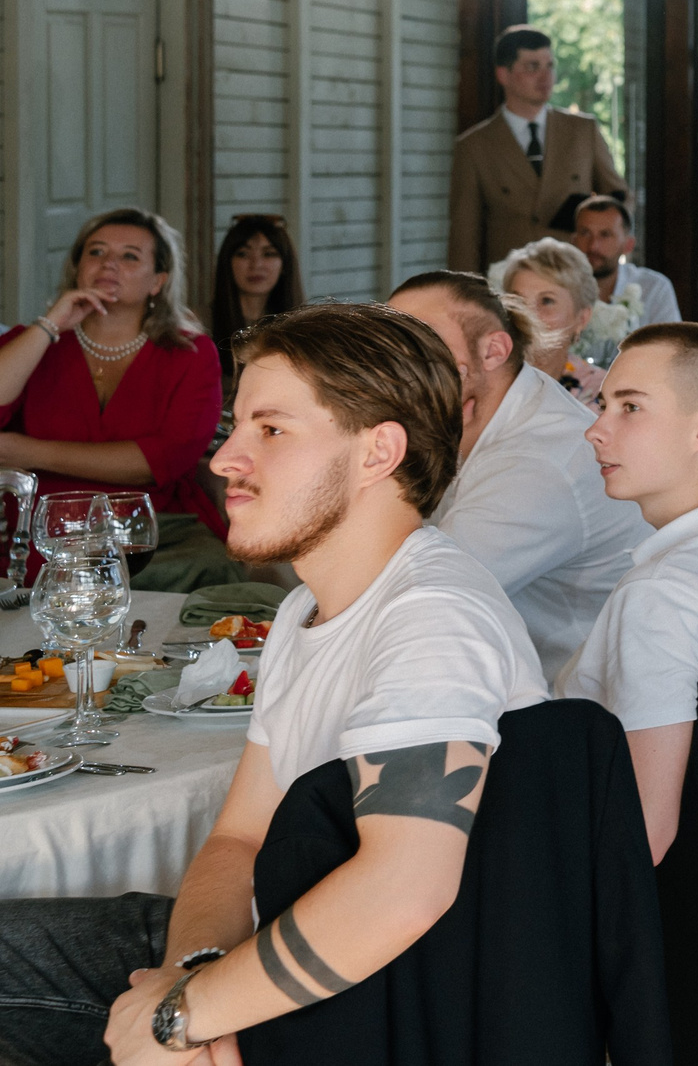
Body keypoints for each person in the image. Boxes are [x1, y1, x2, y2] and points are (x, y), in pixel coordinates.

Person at [0, 303, 546, 1066]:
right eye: (236, 426)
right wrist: (194, 978)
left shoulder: (433, 614)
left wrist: (181, 1018)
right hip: (276, 940)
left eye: (271, 429)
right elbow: (237, 838)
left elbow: (403, 889)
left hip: (379, 996)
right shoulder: (304, 609)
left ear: (378, 452)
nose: (225, 458)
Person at [557, 322, 698, 862]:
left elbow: (643, 833)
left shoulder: (662, 595)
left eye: (630, 407)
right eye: (603, 403)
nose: (595, 429)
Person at [389, 271, 651, 679]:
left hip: (573, 711)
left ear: (493, 350)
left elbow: (417, 597)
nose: (398, 360)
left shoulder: (540, 461)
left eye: (422, 340)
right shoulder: (474, 418)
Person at [0, 208, 230, 591]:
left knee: (214, 571)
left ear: (158, 280)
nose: (109, 263)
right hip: (47, 536)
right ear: (77, 268)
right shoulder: (35, 343)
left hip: (151, 535)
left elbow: (157, 462)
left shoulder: (191, 353)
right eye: (96, 252)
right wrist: (50, 324)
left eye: (129, 256)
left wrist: (24, 452)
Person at [449, 25, 628, 273]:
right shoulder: (475, 146)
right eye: (533, 67)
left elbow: (619, 196)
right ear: (503, 74)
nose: (546, 78)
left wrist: (605, 245)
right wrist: (469, 297)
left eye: (550, 66)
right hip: (510, 283)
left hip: (573, 276)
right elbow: (464, 236)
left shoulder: (582, 130)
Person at [568, 194, 680, 365]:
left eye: (605, 235)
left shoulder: (654, 287)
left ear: (628, 245)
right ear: (574, 241)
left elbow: (671, 354)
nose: (593, 245)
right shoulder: (559, 288)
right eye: (585, 233)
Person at [492, 236, 604, 406]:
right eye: (518, 300)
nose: (528, 314)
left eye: (546, 301)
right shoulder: (484, 378)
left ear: (582, 318)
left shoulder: (603, 392)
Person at [206, 213, 302, 395]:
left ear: (285, 265)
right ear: (227, 262)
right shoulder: (200, 323)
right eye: (243, 254)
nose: (256, 265)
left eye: (269, 254)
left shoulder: (301, 326)